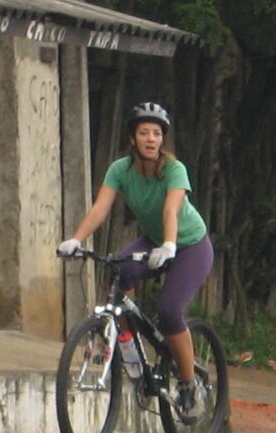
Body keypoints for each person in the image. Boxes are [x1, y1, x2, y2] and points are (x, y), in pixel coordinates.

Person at [57, 102, 217, 414]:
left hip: (189, 245)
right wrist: (76, 239)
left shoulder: (174, 169)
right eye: (144, 132)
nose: (151, 139)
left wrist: (170, 245)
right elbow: (100, 208)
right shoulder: (120, 169)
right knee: (119, 270)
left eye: (157, 133)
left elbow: (171, 210)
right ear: (133, 138)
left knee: (170, 310)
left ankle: (188, 384)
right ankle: (134, 343)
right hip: (155, 241)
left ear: (163, 139)